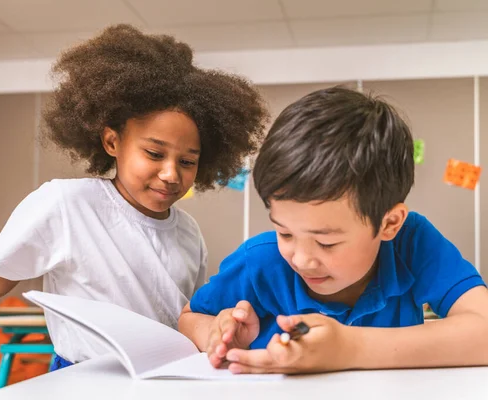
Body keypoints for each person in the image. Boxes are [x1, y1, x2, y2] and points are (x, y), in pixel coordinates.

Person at [0, 24, 269, 371]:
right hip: (81, 375)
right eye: (154, 154)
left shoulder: (188, 231)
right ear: (112, 141)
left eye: (187, 161)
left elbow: (189, 316)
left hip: (167, 377)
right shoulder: (65, 205)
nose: (171, 174)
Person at [178, 87, 488, 374]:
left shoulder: (412, 244)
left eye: (326, 242)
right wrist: (218, 334)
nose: (301, 259)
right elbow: (189, 318)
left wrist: (349, 347)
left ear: (389, 224)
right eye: (285, 233)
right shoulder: (261, 261)